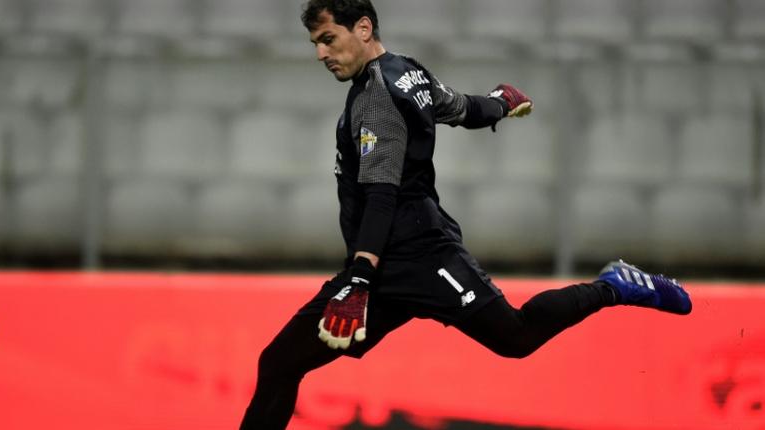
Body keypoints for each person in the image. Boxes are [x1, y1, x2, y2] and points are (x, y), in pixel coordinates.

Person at [239, 1, 692, 428]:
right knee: (280, 362)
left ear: (363, 28)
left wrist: (358, 279)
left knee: (515, 338)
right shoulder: (407, 72)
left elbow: (382, 195)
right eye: (315, 43)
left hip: (416, 255)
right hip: (382, 265)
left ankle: (612, 287)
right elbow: (462, 108)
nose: (321, 53)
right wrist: (500, 102)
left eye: (328, 39)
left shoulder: (377, 96)